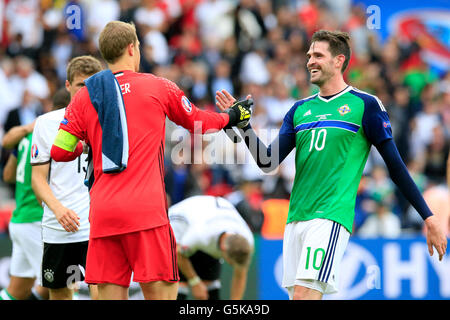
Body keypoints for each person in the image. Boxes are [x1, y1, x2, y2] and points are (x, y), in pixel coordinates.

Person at [215, 30, 447, 300]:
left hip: (329, 216)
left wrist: (428, 217)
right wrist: (244, 127)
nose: (310, 61)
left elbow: (395, 167)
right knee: (298, 296)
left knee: (304, 295)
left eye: (317, 55)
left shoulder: (365, 105)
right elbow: (268, 162)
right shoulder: (299, 109)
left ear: (339, 61)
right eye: (309, 55)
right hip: (296, 218)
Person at [49, 21, 251, 300]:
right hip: (146, 213)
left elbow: (59, 151)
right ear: (132, 48)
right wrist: (232, 117)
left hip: (104, 213)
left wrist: (86, 145)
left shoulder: (85, 95)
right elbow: (197, 122)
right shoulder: (158, 86)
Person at [30, 56, 103, 300]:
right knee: (60, 293)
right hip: (58, 225)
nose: (87, 91)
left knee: (103, 290)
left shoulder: (108, 121)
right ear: (68, 85)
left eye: (93, 85)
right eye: (81, 84)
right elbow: (38, 179)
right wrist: (59, 210)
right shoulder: (47, 123)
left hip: (97, 225)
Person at [0, 99, 58, 300]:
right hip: (37, 219)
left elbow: (7, 176)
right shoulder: (53, 136)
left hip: (20, 218)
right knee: (63, 286)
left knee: (18, 290)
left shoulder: (27, 137)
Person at [168, 195, 254, 300]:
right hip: (178, 221)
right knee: (180, 289)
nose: (232, 265)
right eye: (230, 263)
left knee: (211, 292)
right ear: (223, 249)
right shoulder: (200, 236)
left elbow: (241, 273)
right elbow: (178, 253)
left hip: (206, 221)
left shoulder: (247, 241)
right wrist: (194, 282)